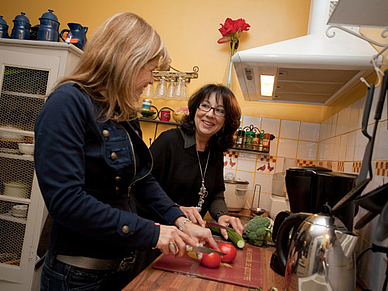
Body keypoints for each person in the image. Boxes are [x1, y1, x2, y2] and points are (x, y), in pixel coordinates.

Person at [34, 12, 218, 291]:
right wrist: (153, 232)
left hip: (120, 270)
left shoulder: (122, 112)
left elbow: (142, 180)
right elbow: (66, 201)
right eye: (150, 69)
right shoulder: (67, 103)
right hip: (75, 277)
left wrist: (179, 221)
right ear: (126, 61)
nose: (151, 80)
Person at [135, 84, 244, 269]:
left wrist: (222, 215)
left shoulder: (215, 151)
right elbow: (139, 190)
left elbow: (216, 192)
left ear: (226, 121)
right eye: (205, 106)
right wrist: (176, 209)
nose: (210, 114)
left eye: (219, 111)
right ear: (195, 109)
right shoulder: (168, 142)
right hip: (154, 241)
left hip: (188, 241)